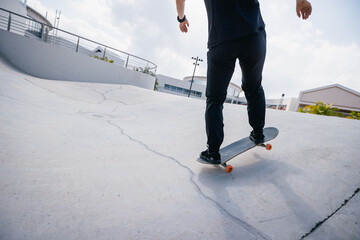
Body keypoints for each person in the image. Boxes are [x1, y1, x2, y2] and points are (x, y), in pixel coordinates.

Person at [176, 0, 312, 164]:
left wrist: (181, 18)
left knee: (215, 98)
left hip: (222, 41)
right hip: (253, 35)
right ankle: (258, 132)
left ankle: (212, 151)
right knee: (253, 87)